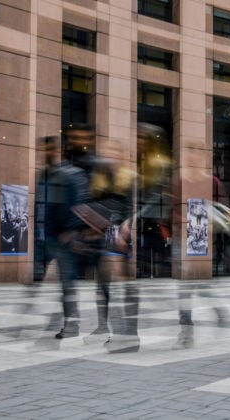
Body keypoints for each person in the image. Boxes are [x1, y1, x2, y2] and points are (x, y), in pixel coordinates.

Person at [63, 124, 138, 352]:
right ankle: (103, 326)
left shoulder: (128, 179)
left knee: (120, 284)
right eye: (108, 153)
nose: (111, 157)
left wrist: (125, 225)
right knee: (102, 284)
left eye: (116, 153)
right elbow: (89, 202)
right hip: (99, 233)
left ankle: (125, 332)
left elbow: (129, 208)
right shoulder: (99, 178)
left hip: (117, 234)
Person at [35, 135, 91, 340]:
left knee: (67, 283)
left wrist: (72, 231)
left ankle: (71, 325)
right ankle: (58, 320)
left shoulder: (72, 174)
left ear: (59, 151)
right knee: (38, 281)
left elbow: (81, 203)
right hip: (47, 237)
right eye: (45, 149)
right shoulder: (44, 175)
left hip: (65, 239)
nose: (48, 153)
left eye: (52, 150)